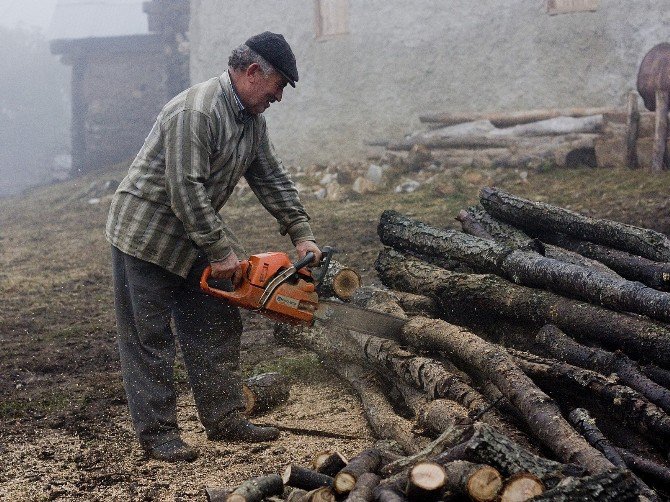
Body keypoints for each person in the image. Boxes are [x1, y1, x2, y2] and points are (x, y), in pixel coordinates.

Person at [105, 31, 321, 462]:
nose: (279, 97)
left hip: (195, 230)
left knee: (217, 321)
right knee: (148, 337)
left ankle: (225, 418)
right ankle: (160, 435)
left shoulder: (251, 122)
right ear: (253, 72)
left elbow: (271, 178)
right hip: (146, 233)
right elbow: (184, 187)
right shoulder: (197, 111)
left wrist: (301, 231)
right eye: (278, 85)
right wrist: (221, 251)